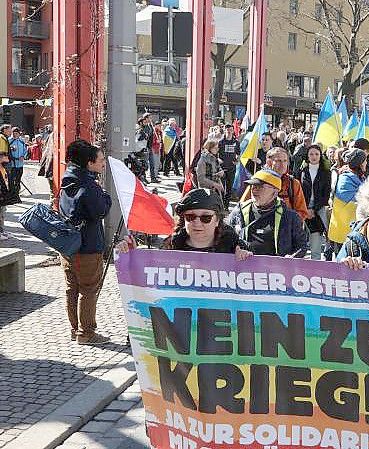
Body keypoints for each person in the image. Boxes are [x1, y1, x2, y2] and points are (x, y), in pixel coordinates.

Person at [59, 139, 112, 345]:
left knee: (71, 288)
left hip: (67, 244)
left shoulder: (68, 178)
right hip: (87, 246)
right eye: (100, 160)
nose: (103, 163)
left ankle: (75, 329)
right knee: (88, 289)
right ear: (89, 163)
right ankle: (87, 333)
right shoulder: (88, 185)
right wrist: (105, 195)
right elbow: (101, 210)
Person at [118, 188, 252, 258]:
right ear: (183, 220)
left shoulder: (234, 247)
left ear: (217, 220)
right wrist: (132, 257)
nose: (197, 223)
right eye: (190, 217)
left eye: (206, 218)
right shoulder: (171, 247)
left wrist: (246, 262)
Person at [228, 169, 308, 257]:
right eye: (253, 186)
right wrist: (236, 249)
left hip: (276, 269)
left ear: (275, 190)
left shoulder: (290, 216)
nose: (254, 190)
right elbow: (225, 239)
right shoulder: (239, 211)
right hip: (245, 268)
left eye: (260, 186)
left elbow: (301, 247)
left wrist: (291, 258)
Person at [295, 144, 332, 260]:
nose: (314, 156)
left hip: (318, 209)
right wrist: (305, 208)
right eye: (311, 154)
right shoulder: (302, 172)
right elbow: (298, 191)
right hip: (302, 208)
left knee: (316, 238)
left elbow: (325, 195)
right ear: (307, 155)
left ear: (320, 155)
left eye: (316, 154)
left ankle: (316, 263)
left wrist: (313, 209)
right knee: (298, 237)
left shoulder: (326, 173)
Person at [329, 148, 368, 252]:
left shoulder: (360, 177)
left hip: (354, 228)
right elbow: (357, 200)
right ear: (359, 163)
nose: (366, 163)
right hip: (343, 230)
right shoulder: (344, 180)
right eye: (365, 161)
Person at [265, 147, 310, 221]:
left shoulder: (293, 183)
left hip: (286, 229)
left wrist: (287, 223)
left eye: (285, 161)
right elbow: (246, 208)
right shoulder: (258, 182)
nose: (282, 164)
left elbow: (302, 212)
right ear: (269, 162)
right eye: (278, 161)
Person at [218, 124, 240, 206]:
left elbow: (238, 153)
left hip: (231, 168)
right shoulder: (220, 142)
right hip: (222, 168)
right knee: (222, 187)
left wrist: (237, 160)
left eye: (230, 130)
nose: (229, 131)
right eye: (227, 130)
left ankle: (226, 205)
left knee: (229, 188)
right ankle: (221, 204)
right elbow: (216, 153)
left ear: (233, 131)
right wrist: (218, 160)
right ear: (224, 131)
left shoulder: (236, 142)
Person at [7, 127, 27, 197]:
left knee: (18, 179)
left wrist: (23, 156)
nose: (15, 135)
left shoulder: (22, 141)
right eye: (14, 133)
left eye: (16, 133)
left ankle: (17, 193)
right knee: (12, 179)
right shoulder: (9, 141)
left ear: (19, 134)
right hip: (12, 164)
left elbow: (25, 150)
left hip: (20, 164)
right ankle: (12, 193)